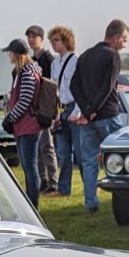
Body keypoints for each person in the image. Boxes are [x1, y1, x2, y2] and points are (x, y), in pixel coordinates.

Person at [71, 18, 129, 213]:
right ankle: (123, 199)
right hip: (108, 115)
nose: (125, 44)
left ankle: (91, 202)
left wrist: (86, 111)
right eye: (124, 39)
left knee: (88, 161)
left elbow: (73, 85)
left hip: (89, 119)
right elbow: (108, 86)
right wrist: (94, 109)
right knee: (120, 159)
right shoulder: (112, 56)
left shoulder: (85, 56)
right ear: (115, 38)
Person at [1, 38, 44, 208]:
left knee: (30, 167)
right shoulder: (23, 71)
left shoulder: (27, 72)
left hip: (28, 126)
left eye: (9, 52)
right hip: (22, 126)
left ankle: (33, 203)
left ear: (16, 53)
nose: (8, 55)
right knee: (27, 166)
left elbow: (25, 100)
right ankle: (30, 200)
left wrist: (10, 117)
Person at [26, 25, 59, 194]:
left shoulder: (48, 59)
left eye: (34, 36)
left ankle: (53, 182)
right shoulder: (32, 59)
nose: (31, 40)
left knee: (47, 146)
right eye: (29, 37)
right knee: (38, 147)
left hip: (45, 108)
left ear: (41, 38)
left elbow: (52, 87)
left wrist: (52, 112)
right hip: (34, 109)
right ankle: (43, 180)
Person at [48, 26, 80, 197]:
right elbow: (55, 90)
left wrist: (78, 111)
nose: (53, 44)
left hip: (75, 107)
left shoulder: (76, 60)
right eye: (51, 41)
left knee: (81, 153)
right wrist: (55, 114)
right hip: (63, 109)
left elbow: (80, 89)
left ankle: (89, 187)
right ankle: (64, 189)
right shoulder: (54, 63)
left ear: (66, 41)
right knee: (63, 153)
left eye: (56, 40)